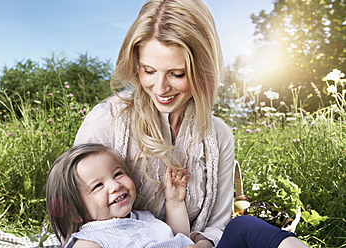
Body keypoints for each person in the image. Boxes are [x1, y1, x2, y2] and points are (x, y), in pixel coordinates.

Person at [74, 0, 309, 247]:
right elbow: (77, 214)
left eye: (177, 74)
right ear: (136, 64)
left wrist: (201, 245)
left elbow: (217, 226)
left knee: (244, 225)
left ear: (203, 69)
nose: (161, 88)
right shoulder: (106, 121)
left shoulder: (219, 135)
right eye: (149, 70)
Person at [46, 143, 193, 247]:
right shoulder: (91, 240)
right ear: (74, 212)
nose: (116, 186)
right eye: (98, 186)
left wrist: (175, 202)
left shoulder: (144, 218)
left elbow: (179, 238)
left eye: (117, 174)